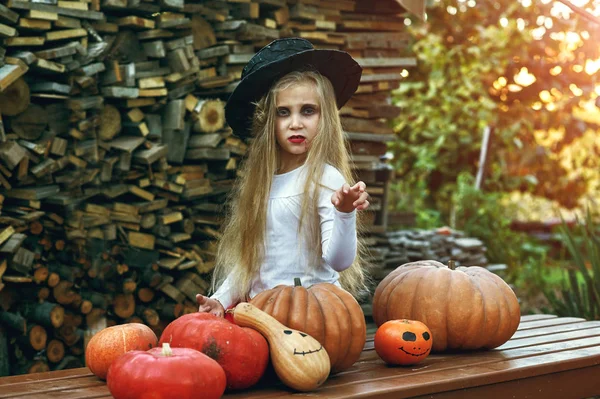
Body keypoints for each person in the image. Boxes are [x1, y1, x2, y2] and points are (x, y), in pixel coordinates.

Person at [196, 37, 371, 317]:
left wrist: (345, 212)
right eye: (283, 113)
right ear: (269, 123)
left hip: (316, 313)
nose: (296, 123)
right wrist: (220, 299)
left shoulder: (326, 179)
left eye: (308, 111)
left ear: (325, 118)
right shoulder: (261, 184)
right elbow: (250, 264)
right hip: (262, 313)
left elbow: (339, 261)